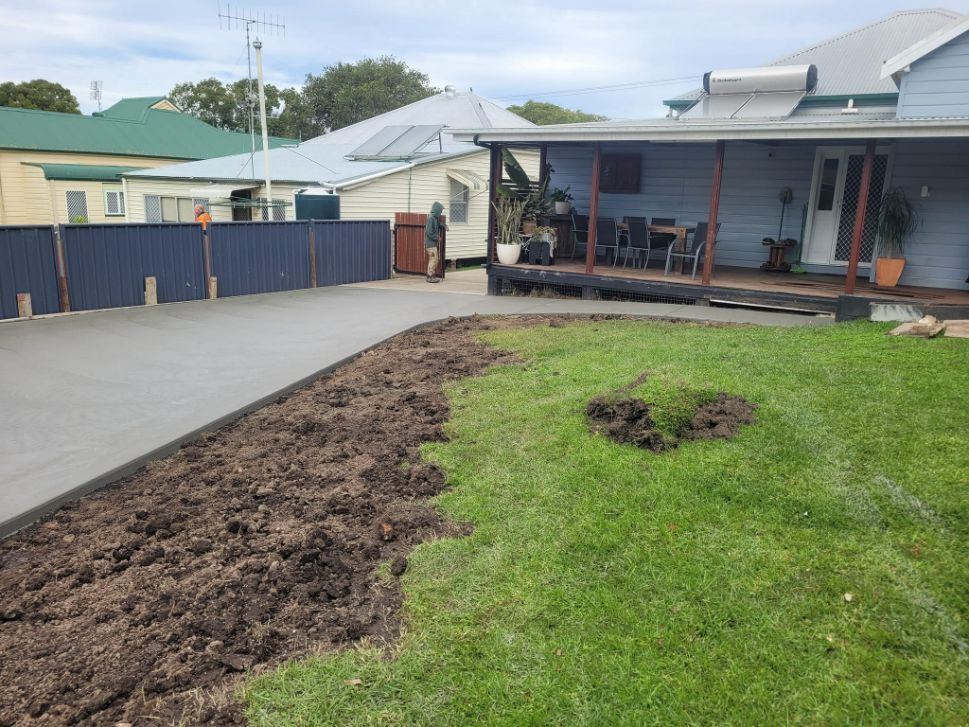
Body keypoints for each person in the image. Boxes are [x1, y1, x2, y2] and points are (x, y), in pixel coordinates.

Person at [424, 201, 445, 283]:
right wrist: (437, 238)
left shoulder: (434, 218)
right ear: (436, 210)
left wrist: (443, 225)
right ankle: (430, 277)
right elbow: (429, 232)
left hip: (432, 244)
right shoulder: (431, 218)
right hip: (430, 245)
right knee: (433, 259)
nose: (440, 213)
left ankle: (431, 275)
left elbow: (438, 224)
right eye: (440, 211)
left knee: (435, 259)